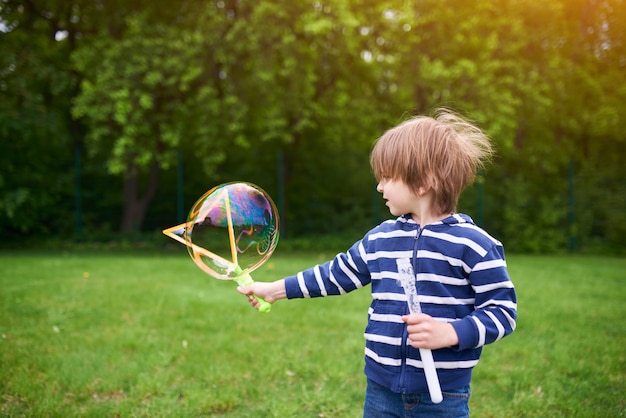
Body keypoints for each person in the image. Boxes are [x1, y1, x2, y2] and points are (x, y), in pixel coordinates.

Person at [238, 108, 517, 417]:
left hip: (444, 394)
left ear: (423, 181)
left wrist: (451, 333)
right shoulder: (380, 239)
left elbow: (502, 312)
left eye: (387, 177)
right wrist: (276, 289)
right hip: (381, 391)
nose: (379, 187)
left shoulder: (474, 245)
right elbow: (336, 274)